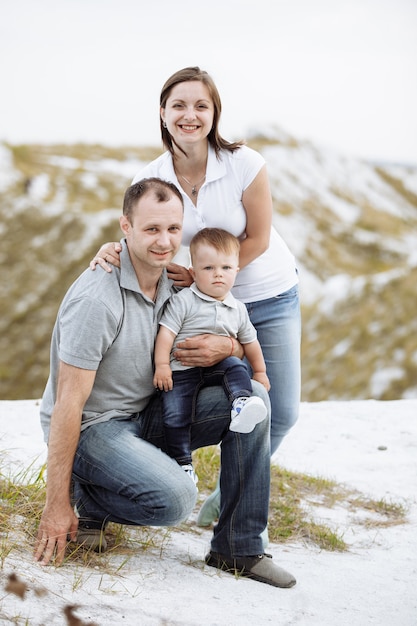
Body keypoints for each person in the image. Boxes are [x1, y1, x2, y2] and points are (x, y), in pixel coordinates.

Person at [34, 178, 296, 589]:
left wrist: (229, 345)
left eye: (173, 229)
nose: (163, 241)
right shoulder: (96, 301)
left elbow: (231, 325)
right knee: (175, 500)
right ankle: (87, 499)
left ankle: (237, 548)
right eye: (151, 229)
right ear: (125, 227)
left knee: (254, 399)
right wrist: (56, 504)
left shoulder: (175, 282)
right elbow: (67, 403)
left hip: (150, 412)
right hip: (94, 428)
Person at [92, 66, 301, 526]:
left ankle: (225, 499)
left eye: (201, 105)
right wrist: (115, 248)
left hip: (266, 294)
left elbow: (260, 238)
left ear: (214, 113)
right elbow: (146, 235)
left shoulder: (246, 163)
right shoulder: (151, 176)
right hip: (203, 302)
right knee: (231, 400)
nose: (190, 115)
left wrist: (213, 284)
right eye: (179, 105)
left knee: (281, 412)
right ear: (163, 113)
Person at [154, 227, 270, 482]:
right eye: (208, 269)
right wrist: (162, 365)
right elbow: (166, 334)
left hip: (215, 367)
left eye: (226, 268)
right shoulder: (184, 300)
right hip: (181, 371)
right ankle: (183, 463)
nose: (218, 274)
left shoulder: (237, 308)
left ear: (236, 271)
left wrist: (259, 371)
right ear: (193, 273)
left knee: (234, 366)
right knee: (175, 415)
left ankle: (240, 403)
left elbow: (251, 342)